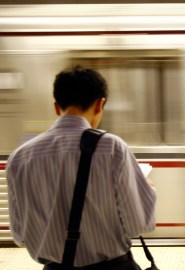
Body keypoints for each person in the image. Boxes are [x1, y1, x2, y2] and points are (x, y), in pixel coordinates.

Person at [6, 66, 157, 269]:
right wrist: (146, 187)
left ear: (56, 107)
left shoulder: (19, 158)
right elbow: (139, 224)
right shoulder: (112, 148)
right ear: (99, 105)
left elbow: (20, 235)